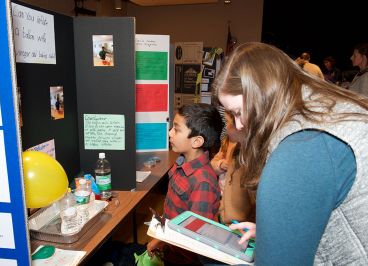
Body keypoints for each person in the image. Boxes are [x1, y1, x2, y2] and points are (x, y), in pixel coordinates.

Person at [213, 42, 368, 265]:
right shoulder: (328, 109)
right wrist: (278, 237)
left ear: (264, 95)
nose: (237, 125)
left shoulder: (299, 152)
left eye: (238, 112)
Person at [147, 103, 223, 265]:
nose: (170, 133)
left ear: (196, 141)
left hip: (183, 259)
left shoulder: (203, 182)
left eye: (177, 129)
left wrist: (161, 241)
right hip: (169, 249)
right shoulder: (181, 162)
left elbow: (195, 234)